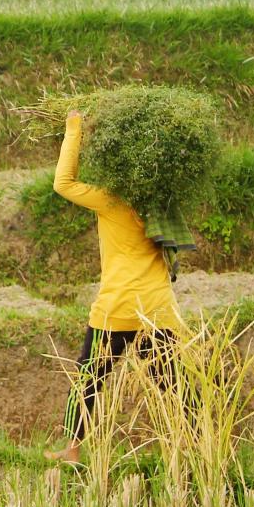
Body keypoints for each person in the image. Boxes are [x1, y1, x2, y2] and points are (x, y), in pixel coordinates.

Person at [45, 110, 181, 463]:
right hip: (157, 309)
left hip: (117, 307)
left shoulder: (111, 200)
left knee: (89, 379)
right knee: (172, 384)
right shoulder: (163, 204)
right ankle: (193, 448)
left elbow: (63, 183)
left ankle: (73, 450)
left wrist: (74, 128)